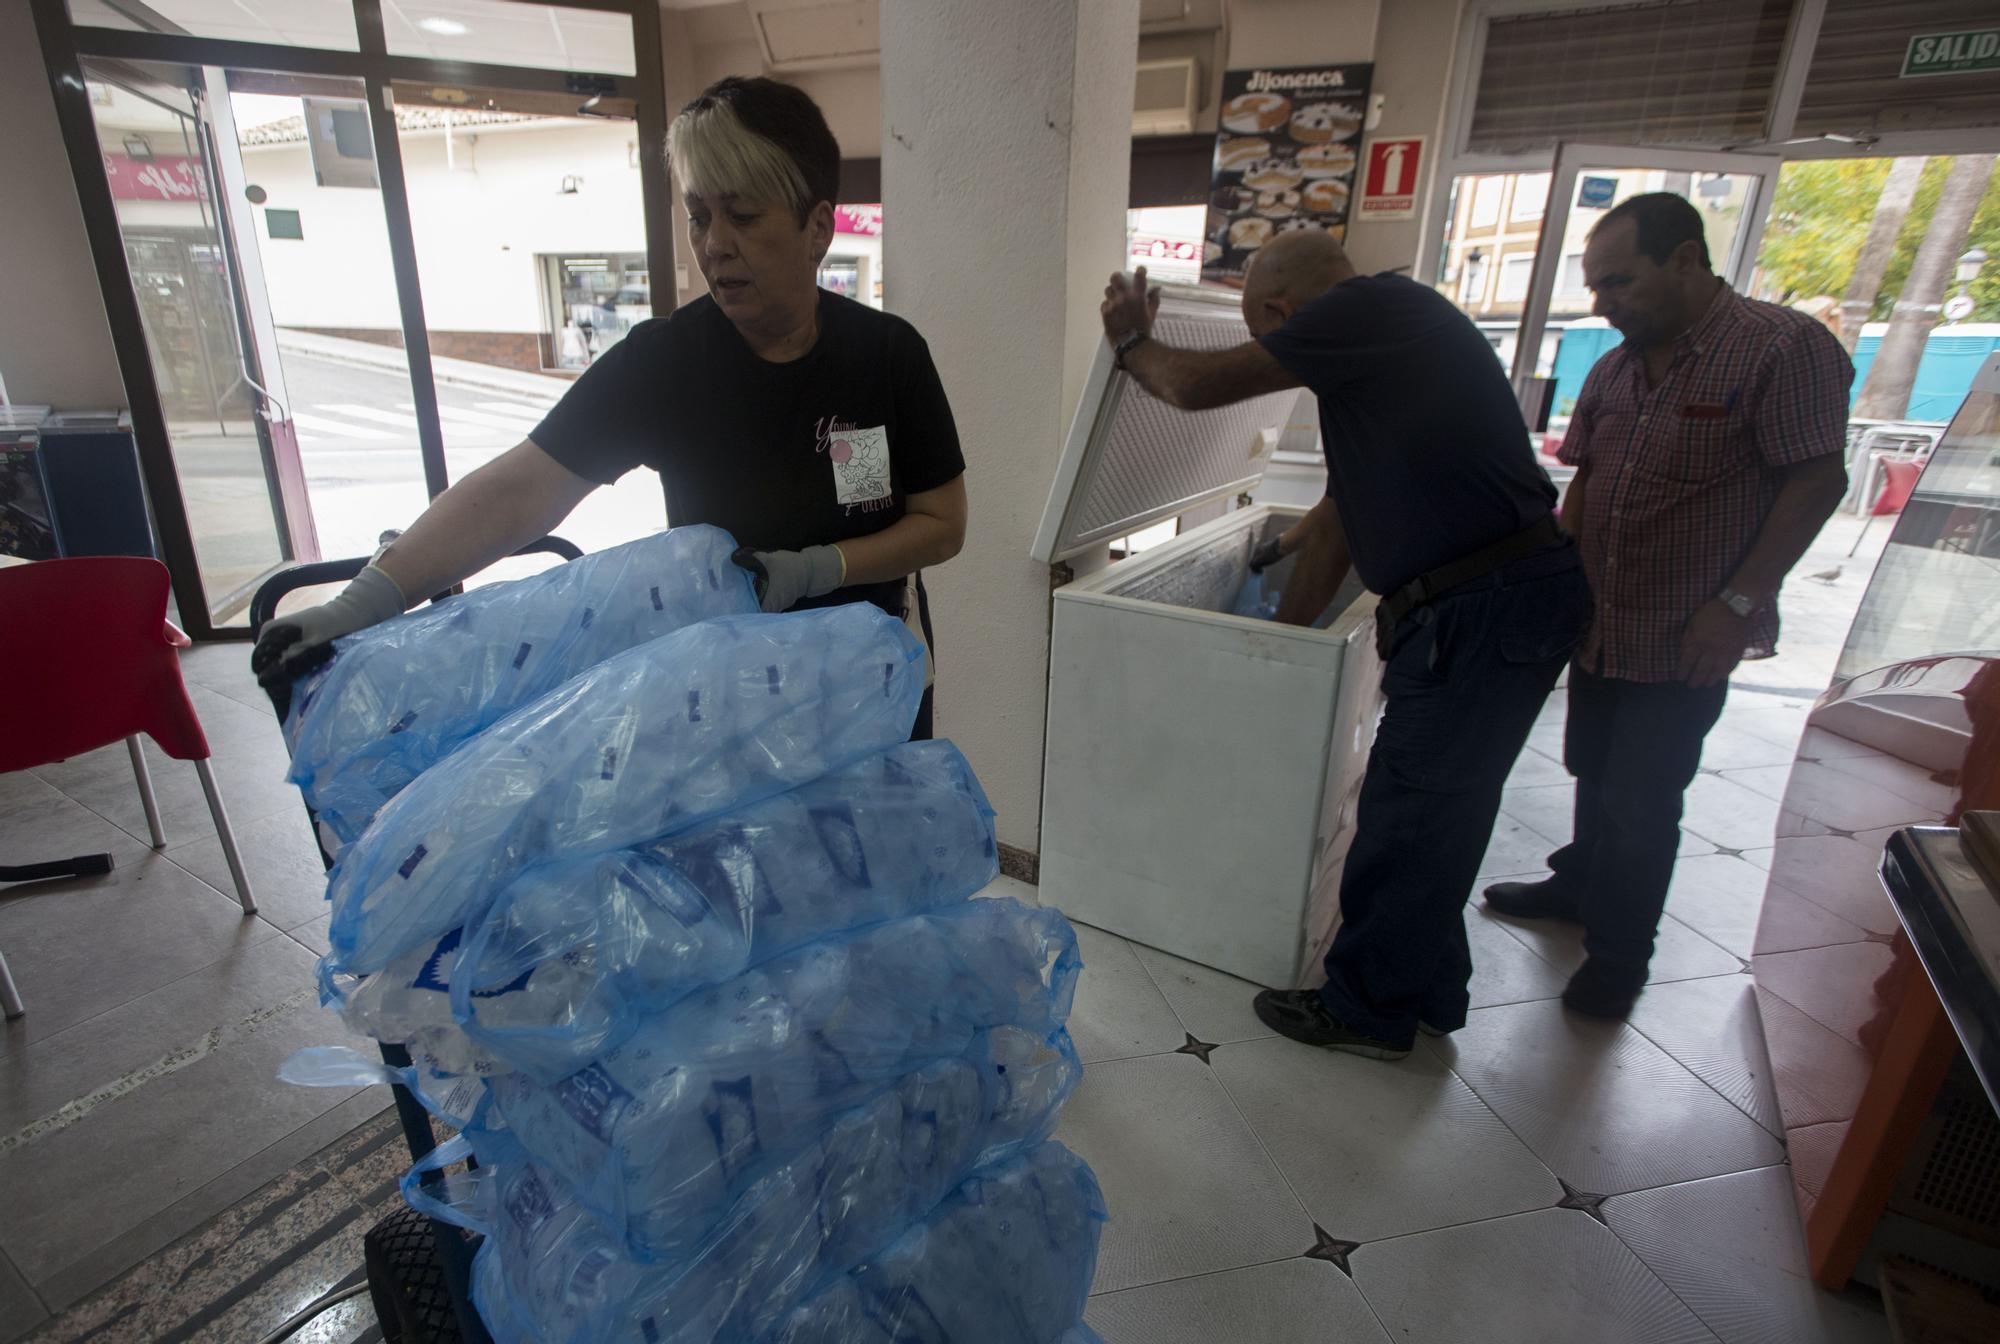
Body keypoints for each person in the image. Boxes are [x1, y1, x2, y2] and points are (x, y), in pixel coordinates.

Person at [253, 77, 967, 739]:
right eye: (699, 216)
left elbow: (940, 525)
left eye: (744, 216)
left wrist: (818, 568)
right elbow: (520, 489)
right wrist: (363, 603)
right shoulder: (667, 364)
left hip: (872, 683)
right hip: (726, 699)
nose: (716, 244)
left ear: (819, 227)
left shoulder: (885, 356)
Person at [1100, 231, 1591, 1060]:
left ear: (1285, 313)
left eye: (1267, 333)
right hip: (1499, 601)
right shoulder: (1381, 351)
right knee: (1437, 812)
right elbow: (1334, 525)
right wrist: (1280, 653)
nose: (1272, 350)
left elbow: (1191, 389)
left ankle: (1366, 1008)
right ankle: (1429, 989)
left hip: (1482, 608)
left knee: (1409, 813)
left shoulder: (1369, 308)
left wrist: (1132, 339)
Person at [1483, 194, 1851, 1018]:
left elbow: (1818, 481)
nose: (1601, 303)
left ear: (1685, 259)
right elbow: (1584, 482)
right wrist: (1551, 582)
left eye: (1617, 282)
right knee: (1589, 766)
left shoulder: (1781, 348)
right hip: (1602, 620)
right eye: (1594, 285)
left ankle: (1619, 957)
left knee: (1643, 797)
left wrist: (1738, 601)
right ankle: (1579, 884)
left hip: (1688, 629)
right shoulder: (1615, 366)